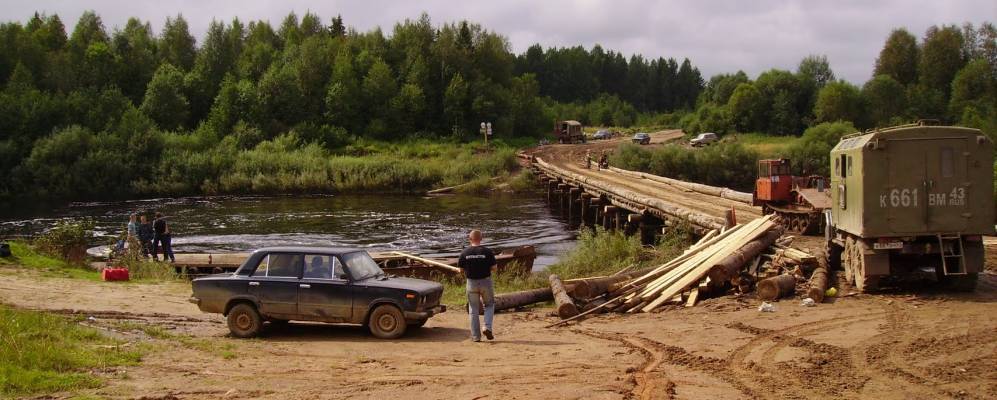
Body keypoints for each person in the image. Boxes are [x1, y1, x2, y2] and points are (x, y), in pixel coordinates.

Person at [457, 229, 496, 342]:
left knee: (473, 309)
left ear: (470, 239)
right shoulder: (487, 252)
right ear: (481, 239)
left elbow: (460, 270)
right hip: (485, 282)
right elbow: (494, 268)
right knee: (489, 305)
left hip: (471, 283)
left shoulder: (464, 253)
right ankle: (487, 327)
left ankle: (476, 336)